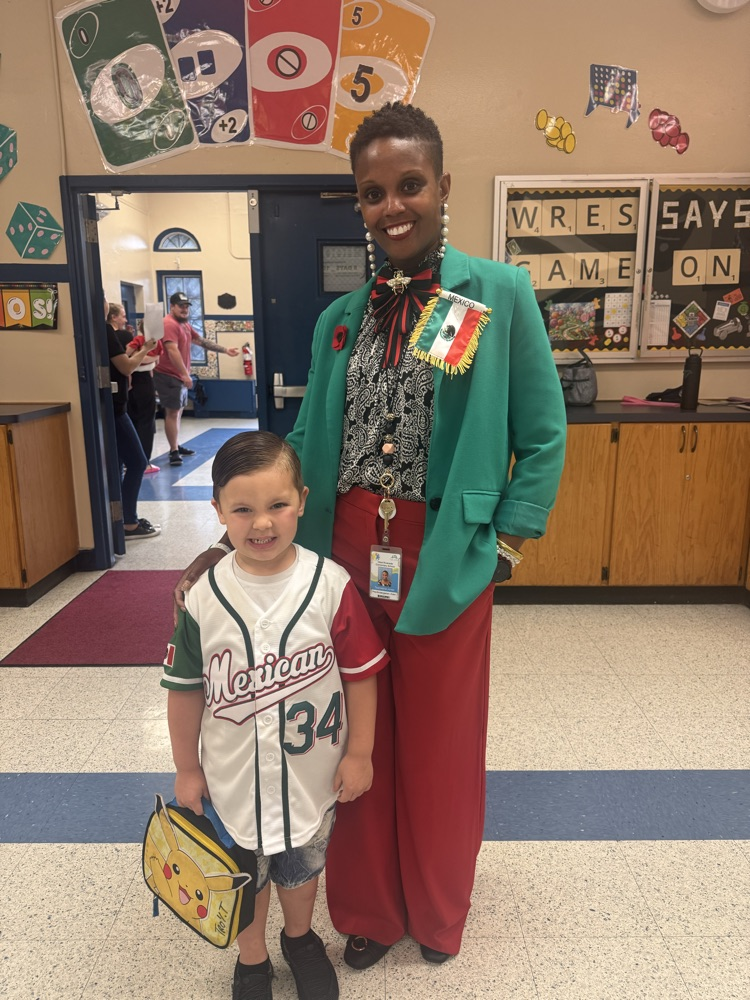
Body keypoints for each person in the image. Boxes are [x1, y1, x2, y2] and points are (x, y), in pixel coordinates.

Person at [175, 103, 566, 968]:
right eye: (372, 192)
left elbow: (541, 435)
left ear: (442, 187)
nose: (392, 206)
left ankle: (434, 912)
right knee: (345, 738)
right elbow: (310, 443)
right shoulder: (339, 320)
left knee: (438, 741)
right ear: (358, 203)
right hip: (341, 555)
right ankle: (366, 909)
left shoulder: (496, 294)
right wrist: (255, 535)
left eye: (409, 186)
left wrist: (504, 544)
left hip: (446, 553)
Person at [162, 431, 388, 1000]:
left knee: (301, 867)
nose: (261, 523)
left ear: (303, 501)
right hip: (232, 776)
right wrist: (187, 768)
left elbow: (362, 675)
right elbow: (185, 690)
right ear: (217, 511)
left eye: (277, 505)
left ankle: (299, 937)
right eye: (242, 509)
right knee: (245, 873)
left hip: (310, 773)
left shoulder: (330, 584)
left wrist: (359, 752)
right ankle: (253, 957)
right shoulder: (202, 595)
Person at [154, 292, 240, 467]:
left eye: (186, 306)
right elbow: (172, 350)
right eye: (181, 306)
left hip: (178, 376)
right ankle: (173, 451)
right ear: (172, 307)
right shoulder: (169, 323)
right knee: (172, 412)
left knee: (177, 412)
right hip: (169, 375)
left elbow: (200, 341)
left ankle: (175, 444)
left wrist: (225, 350)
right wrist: (184, 374)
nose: (185, 309)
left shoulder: (184, 324)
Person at [105, 299, 161, 540]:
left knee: (117, 464)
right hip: (116, 409)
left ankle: (119, 517)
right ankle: (128, 521)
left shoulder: (107, 333)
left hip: (113, 406)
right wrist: (146, 349)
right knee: (138, 462)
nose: (125, 319)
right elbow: (126, 366)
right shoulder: (106, 332)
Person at [126, 320, 162, 474]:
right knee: (145, 422)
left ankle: (134, 460)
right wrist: (145, 357)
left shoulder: (149, 342)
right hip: (141, 381)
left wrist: (137, 357)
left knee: (136, 420)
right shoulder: (142, 340)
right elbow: (133, 356)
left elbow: (130, 356)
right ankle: (144, 461)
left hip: (137, 379)